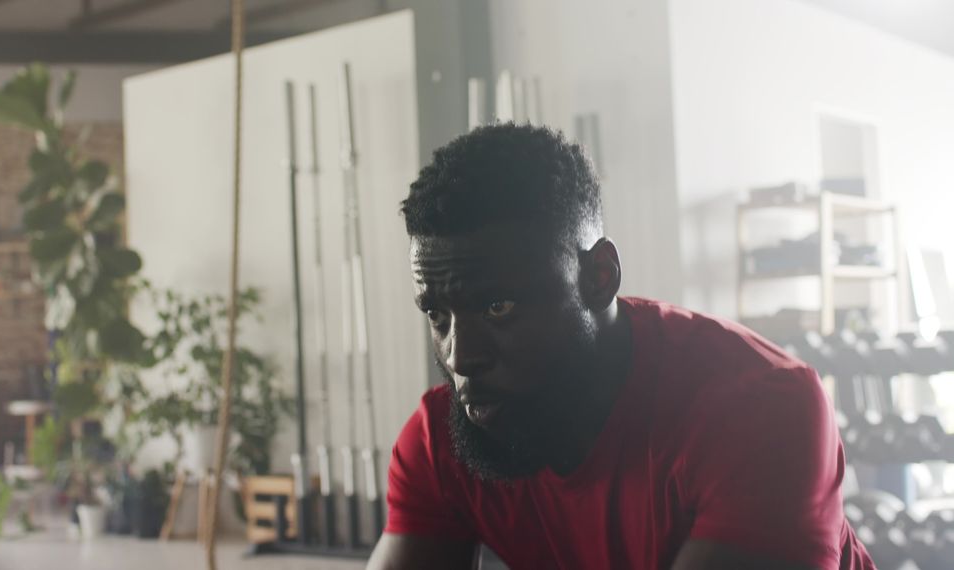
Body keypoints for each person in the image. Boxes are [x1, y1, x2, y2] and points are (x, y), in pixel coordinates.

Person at [367, 124, 874, 569]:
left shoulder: (759, 409)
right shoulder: (443, 440)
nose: (460, 358)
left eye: (499, 308)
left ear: (599, 277)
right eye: (438, 315)